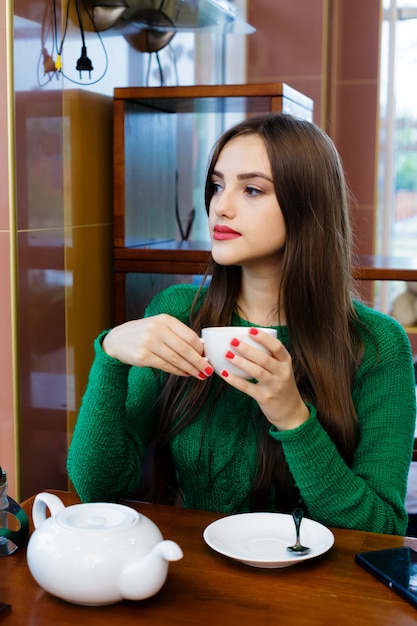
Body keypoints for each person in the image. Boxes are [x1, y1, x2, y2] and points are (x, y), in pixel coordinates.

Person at [67, 113, 417, 535]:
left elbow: (382, 528)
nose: (221, 206)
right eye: (217, 185)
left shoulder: (377, 344)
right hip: (197, 576)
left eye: (251, 189)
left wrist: (293, 417)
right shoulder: (179, 314)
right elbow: (96, 488)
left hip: (322, 595)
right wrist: (110, 358)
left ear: (307, 205)